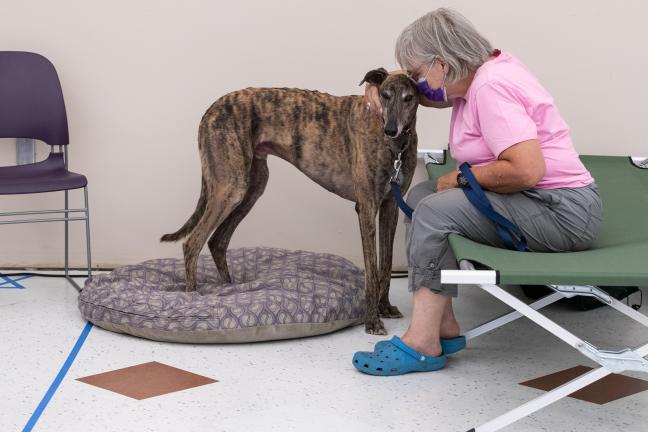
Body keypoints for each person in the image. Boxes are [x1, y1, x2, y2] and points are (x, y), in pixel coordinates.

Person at [352, 8, 603, 376]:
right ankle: (444, 327)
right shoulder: (477, 74)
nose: (420, 85)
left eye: (420, 73)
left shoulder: (490, 89)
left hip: (563, 212)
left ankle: (422, 343)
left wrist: (461, 179)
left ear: (442, 63)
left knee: (434, 211)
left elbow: (528, 169)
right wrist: (380, 84)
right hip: (546, 203)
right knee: (421, 197)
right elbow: (427, 94)